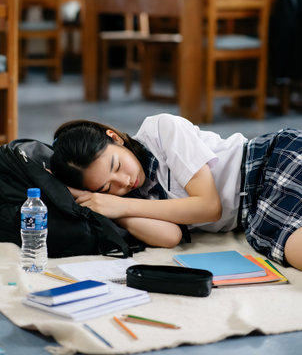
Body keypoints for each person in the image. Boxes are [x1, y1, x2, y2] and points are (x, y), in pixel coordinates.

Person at [50, 113, 302, 271]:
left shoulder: (161, 130)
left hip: (270, 164)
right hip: (255, 212)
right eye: (106, 187)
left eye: (116, 165)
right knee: (287, 247)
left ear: (114, 137)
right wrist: (102, 205)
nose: (124, 181)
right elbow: (170, 237)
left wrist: (121, 206)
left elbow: (208, 207)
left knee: (289, 247)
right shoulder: (126, 197)